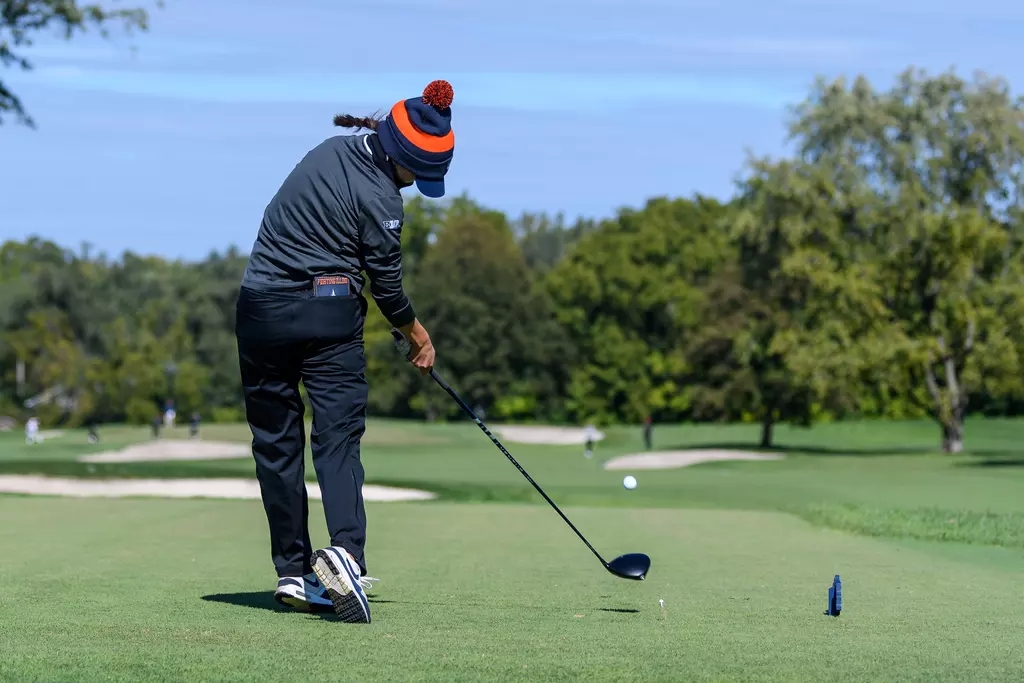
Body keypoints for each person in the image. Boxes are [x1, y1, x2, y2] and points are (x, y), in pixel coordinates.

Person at [235, 80, 450, 623]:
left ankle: (294, 571)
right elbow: (387, 285)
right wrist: (418, 336)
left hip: (257, 310)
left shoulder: (328, 151)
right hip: (326, 313)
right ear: (400, 157)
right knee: (337, 440)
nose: (416, 183)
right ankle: (346, 557)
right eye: (417, 173)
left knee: (276, 444)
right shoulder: (383, 199)